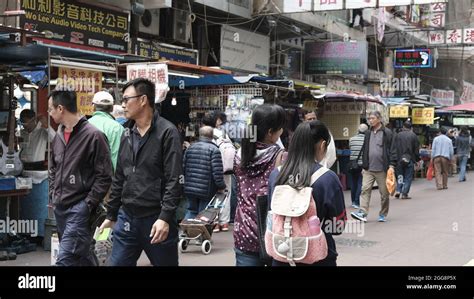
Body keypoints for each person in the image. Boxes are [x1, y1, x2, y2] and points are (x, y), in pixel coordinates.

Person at [99, 78, 183, 266]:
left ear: (143, 100)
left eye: (127, 99)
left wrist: (165, 217)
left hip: (156, 219)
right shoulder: (126, 133)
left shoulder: (167, 133)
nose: (123, 105)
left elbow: (174, 179)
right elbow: (119, 176)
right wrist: (111, 214)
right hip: (127, 217)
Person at [268, 120, 346, 266]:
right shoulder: (327, 178)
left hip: (281, 254)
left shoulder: (276, 175)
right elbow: (338, 227)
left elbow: (271, 215)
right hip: (319, 257)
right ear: (323, 145)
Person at [48, 90, 112, 266]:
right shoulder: (59, 136)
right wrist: (53, 192)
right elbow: (53, 168)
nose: (49, 113)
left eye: (50, 109)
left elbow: (105, 176)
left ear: (61, 108)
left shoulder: (94, 136)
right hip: (61, 208)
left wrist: (88, 204)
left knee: (65, 259)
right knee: (81, 255)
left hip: (80, 208)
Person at [233, 104, 286, 266]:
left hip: (244, 233)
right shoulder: (282, 157)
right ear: (270, 132)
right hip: (273, 234)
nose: (282, 132)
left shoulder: (239, 155)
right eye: (280, 129)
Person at [351, 111, 397, 223]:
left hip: (382, 169)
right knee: (365, 190)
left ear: (379, 119)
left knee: (384, 194)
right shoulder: (367, 133)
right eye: (369, 118)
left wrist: (392, 165)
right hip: (368, 169)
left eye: (372, 118)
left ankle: (383, 214)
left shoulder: (387, 133)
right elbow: (365, 149)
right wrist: (363, 166)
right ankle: (362, 212)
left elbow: (393, 150)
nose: (370, 120)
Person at [18, 109, 56, 243]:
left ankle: (41, 235)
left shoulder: (42, 131)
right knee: (27, 209)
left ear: (33, 120)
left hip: (40, 174)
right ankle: (27, 234)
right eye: (23, 123)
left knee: (41, 208)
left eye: (27, 123)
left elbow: (55, 139)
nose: (25, 126)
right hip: (25, 174)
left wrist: (46, 125)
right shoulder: (23, 133)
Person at [183, 126, 226, 220]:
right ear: (212, 136)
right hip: (206, 189)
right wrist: (221, 186)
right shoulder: (214, 150)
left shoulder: (190, 148)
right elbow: (217, 172)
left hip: (189, 188)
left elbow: (184, 167)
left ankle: (187, 232)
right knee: (204, 214)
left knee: (191, 211)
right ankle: (200, 234)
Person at [202, 111, 235, 232]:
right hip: (227, 168)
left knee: (213, 195)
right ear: (216, 121)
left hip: (213, 168)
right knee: (226, 194)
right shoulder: (224, 134)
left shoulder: (207, 134)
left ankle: (214, 223)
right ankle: (224, 223)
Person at [88, 91, 125, 172]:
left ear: (93, 107)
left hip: (85, 180)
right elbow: (116, 159)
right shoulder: (117, 128)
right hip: (106, 180)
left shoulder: (84, 126)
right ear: (112, 108)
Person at [393, 121, 420, 199]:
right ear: (411, 127)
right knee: (408, 177)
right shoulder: (413, 135)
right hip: (409, 159)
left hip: (399, 159)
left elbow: (394, 148)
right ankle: (404, 193)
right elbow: (416, 149)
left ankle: (398, 189)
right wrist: (417, 160)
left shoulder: (397, 135)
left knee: (400, 176)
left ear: (403, 127)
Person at [348, 123, 368, 209]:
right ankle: (356, 201)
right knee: (360, 183)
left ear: (358, 130)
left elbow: (350, 149)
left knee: (353, 183)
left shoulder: (351, 139)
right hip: (362, 165)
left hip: (353, 164)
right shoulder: (367, 140)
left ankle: (353, 201)